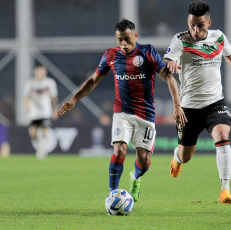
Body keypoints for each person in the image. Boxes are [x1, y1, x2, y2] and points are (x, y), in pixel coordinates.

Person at [57, 19, 187, 202]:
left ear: (135, 36)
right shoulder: (110, 55)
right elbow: (93, 81)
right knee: (119, 150)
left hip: (146, 114)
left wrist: (177, 105)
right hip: (122, 112)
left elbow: (170, 78)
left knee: (143, 160)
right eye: (120, 40)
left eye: (127, 39)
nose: (124, 44)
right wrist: (74, 99)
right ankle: (113, 194)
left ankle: (135, 178)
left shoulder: (148, 52)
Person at [164, 0, 231, 205]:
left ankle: (225, 190)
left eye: (200, 25)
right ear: (188, 22)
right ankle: (177, 159)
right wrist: (171, 65)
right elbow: (170, 63)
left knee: (222, 135)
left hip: (215, 103)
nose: (195, 30)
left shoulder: (219, 37)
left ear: (209, 23)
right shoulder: (180, 40)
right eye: (192, 24)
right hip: (189, 107)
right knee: (186, 156)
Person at [24, 65, 58, 159]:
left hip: (45, 111)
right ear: (35, 72)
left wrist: (54, 110)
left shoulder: (50, 82)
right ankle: (40, 146)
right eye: (39, 71)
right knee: (33, 133)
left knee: (44, 130)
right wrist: (27, 106)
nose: (40, 73)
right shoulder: (30, 83)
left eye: (42, 71)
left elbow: (53, 98)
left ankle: (42, 150)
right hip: (34, 112)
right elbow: (26, 97)